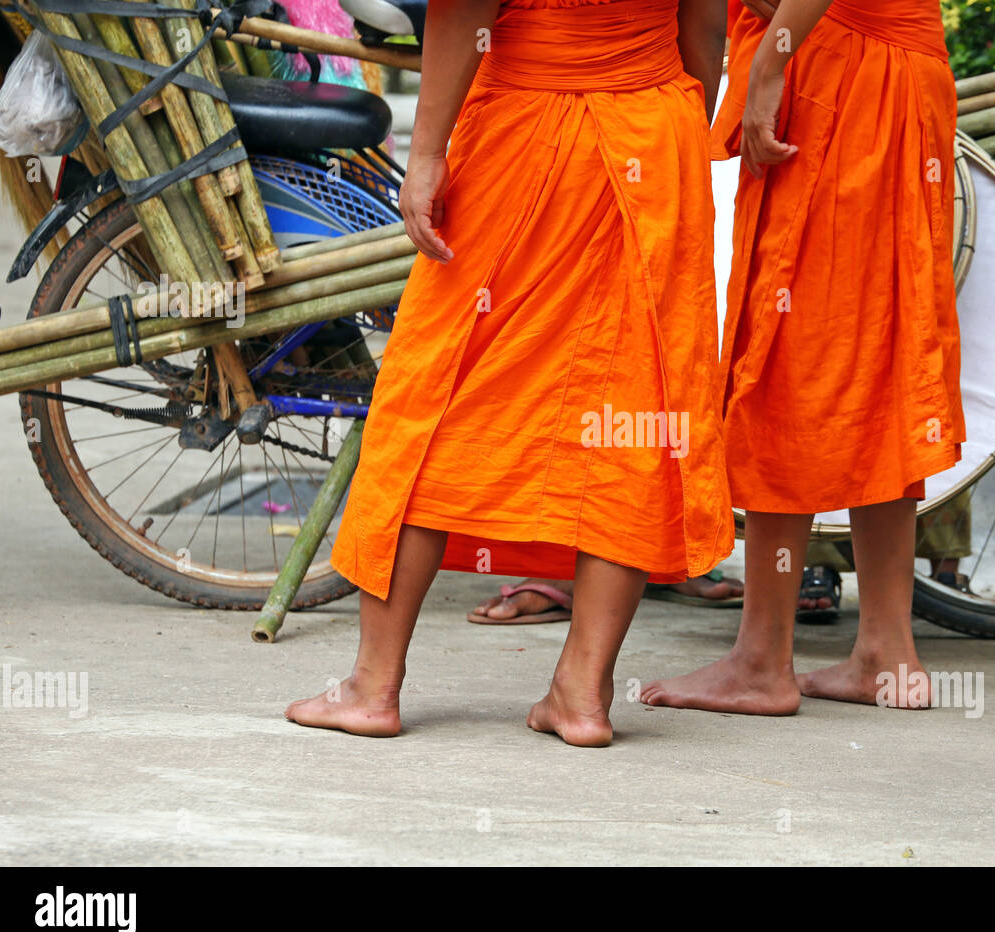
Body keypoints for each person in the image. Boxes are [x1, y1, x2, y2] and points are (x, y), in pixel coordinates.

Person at [285, 0, 733, 746]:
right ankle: (583, 696)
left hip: (527, 135)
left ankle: (372, 686)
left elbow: (464, 11)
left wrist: (425, 153)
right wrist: (665, 127)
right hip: (655, 129)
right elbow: (707, 25)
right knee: (634, 403)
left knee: (440, 390)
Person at [641, 0, 965, 713]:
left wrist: (770, 62)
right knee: (881, 356)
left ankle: (762, 659)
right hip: (886, 76)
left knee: (786, 360)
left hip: (844, 78)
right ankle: (886, 651)